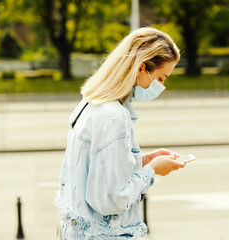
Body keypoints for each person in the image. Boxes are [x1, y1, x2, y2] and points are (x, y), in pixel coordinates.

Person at [55, 27, 185, 239]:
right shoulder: (115, 116)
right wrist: (151, 171)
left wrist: (142, 161)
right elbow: (111, 199)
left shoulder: (91, 103)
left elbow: (97, 169)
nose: (162, 87)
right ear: (141, 68)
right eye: (161, 78)